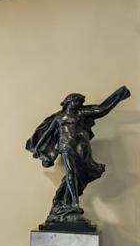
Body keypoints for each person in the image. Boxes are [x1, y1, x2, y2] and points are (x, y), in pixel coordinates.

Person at [25, 86, 130, 228]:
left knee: (84, 171)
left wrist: (119, 95)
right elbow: (47, 133)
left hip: (81, 146)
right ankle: (74, 203)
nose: (79, 104)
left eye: (80, 102)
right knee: (72, 172)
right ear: (69, 101)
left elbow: (101, 109)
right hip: (65, 146)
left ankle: (69, 201)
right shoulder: (59, 117)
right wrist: (38, 148)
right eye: (77, 101)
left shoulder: (81, 113)